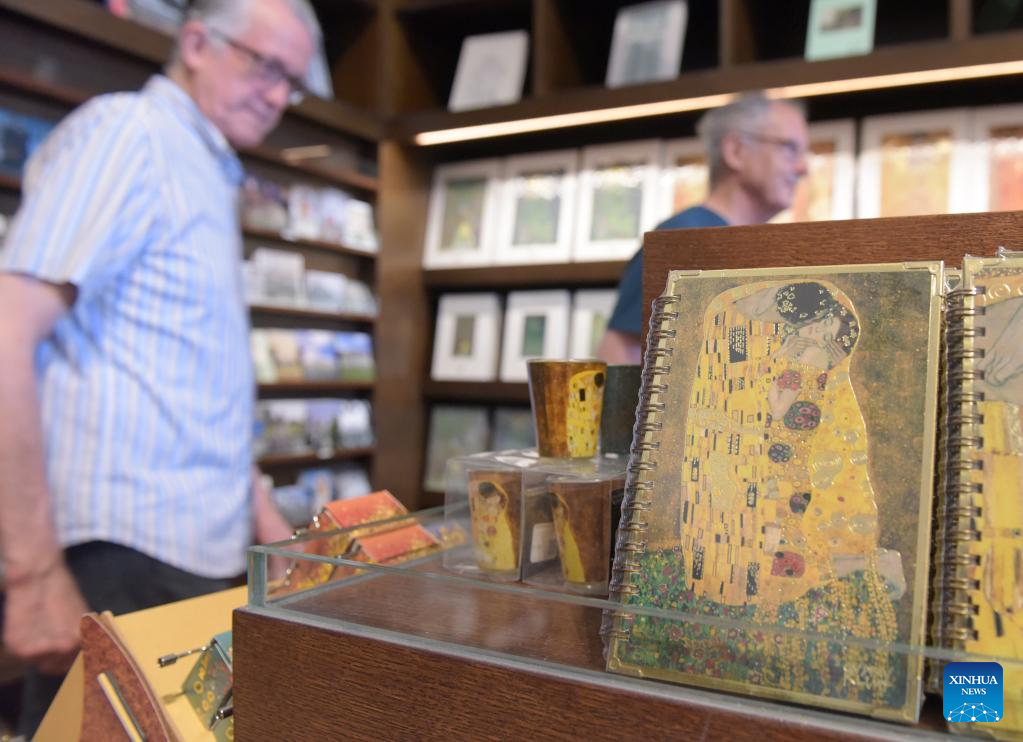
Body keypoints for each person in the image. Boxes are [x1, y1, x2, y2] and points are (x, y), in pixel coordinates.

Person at [0, 0, 319, 734]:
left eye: (293, 81)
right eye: (265, 66)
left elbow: (192, 380)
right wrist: (32, 573)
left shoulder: (204, 165)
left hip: (191, 560)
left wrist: (268, 523)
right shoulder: (132, 135)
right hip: (118, 557)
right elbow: (9, 330)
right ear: (198, 42)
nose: (277, 95)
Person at [597, 92, 810, 364]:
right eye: (789, 148)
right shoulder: (682, 237)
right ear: (736, 151)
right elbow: (620, 352)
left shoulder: (754, 247)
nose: (803, 168)